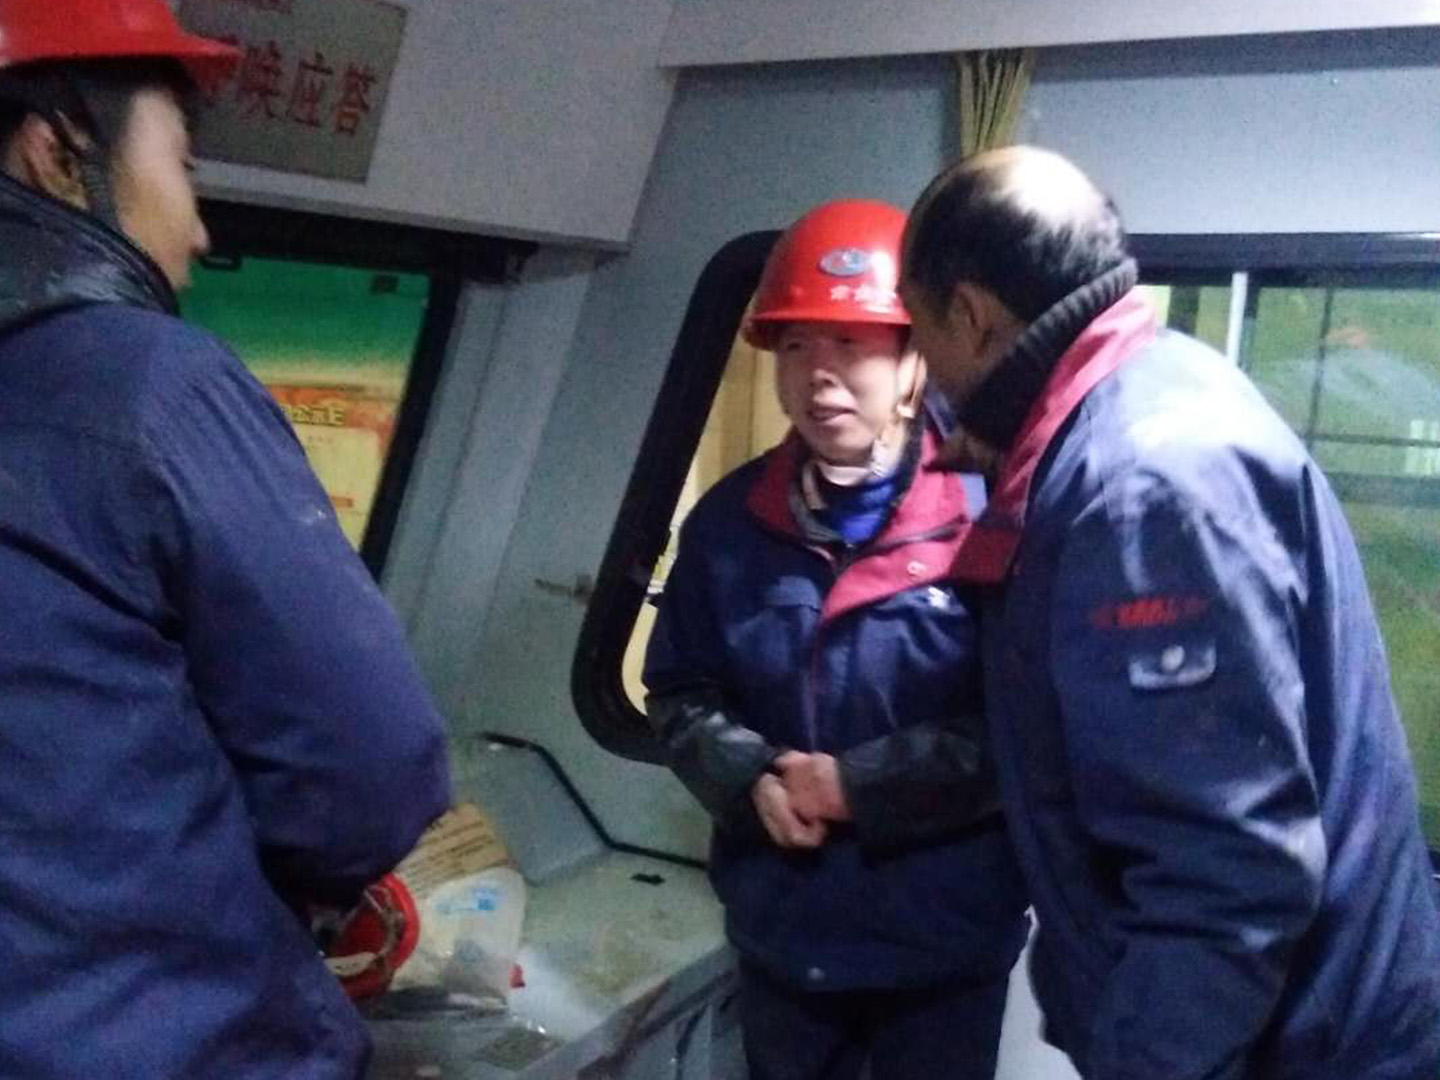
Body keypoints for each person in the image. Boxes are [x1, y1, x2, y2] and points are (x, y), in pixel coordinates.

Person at [897, 145, 1440, 1080]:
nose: (923, 373)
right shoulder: (1156, 384)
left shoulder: (1139, 489)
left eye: (919, 332)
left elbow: (1226, 879)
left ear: (973, 316)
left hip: (1294, 1051)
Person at [0, 3, 450, 1076]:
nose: (200, 230)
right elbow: (375, 772)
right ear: (59, 151)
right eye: (185, 167)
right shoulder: (154, 383)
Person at [643, 198, 1029, 1080]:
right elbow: (680, 693)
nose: (820, 376)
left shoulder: (992, 514)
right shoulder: (729, 524)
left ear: (913, 361)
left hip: (942, 951)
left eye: (851, 345)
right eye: (795, 347)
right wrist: (748, 775)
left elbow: (1026, 724)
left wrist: (860, 786)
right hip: (785, 938)